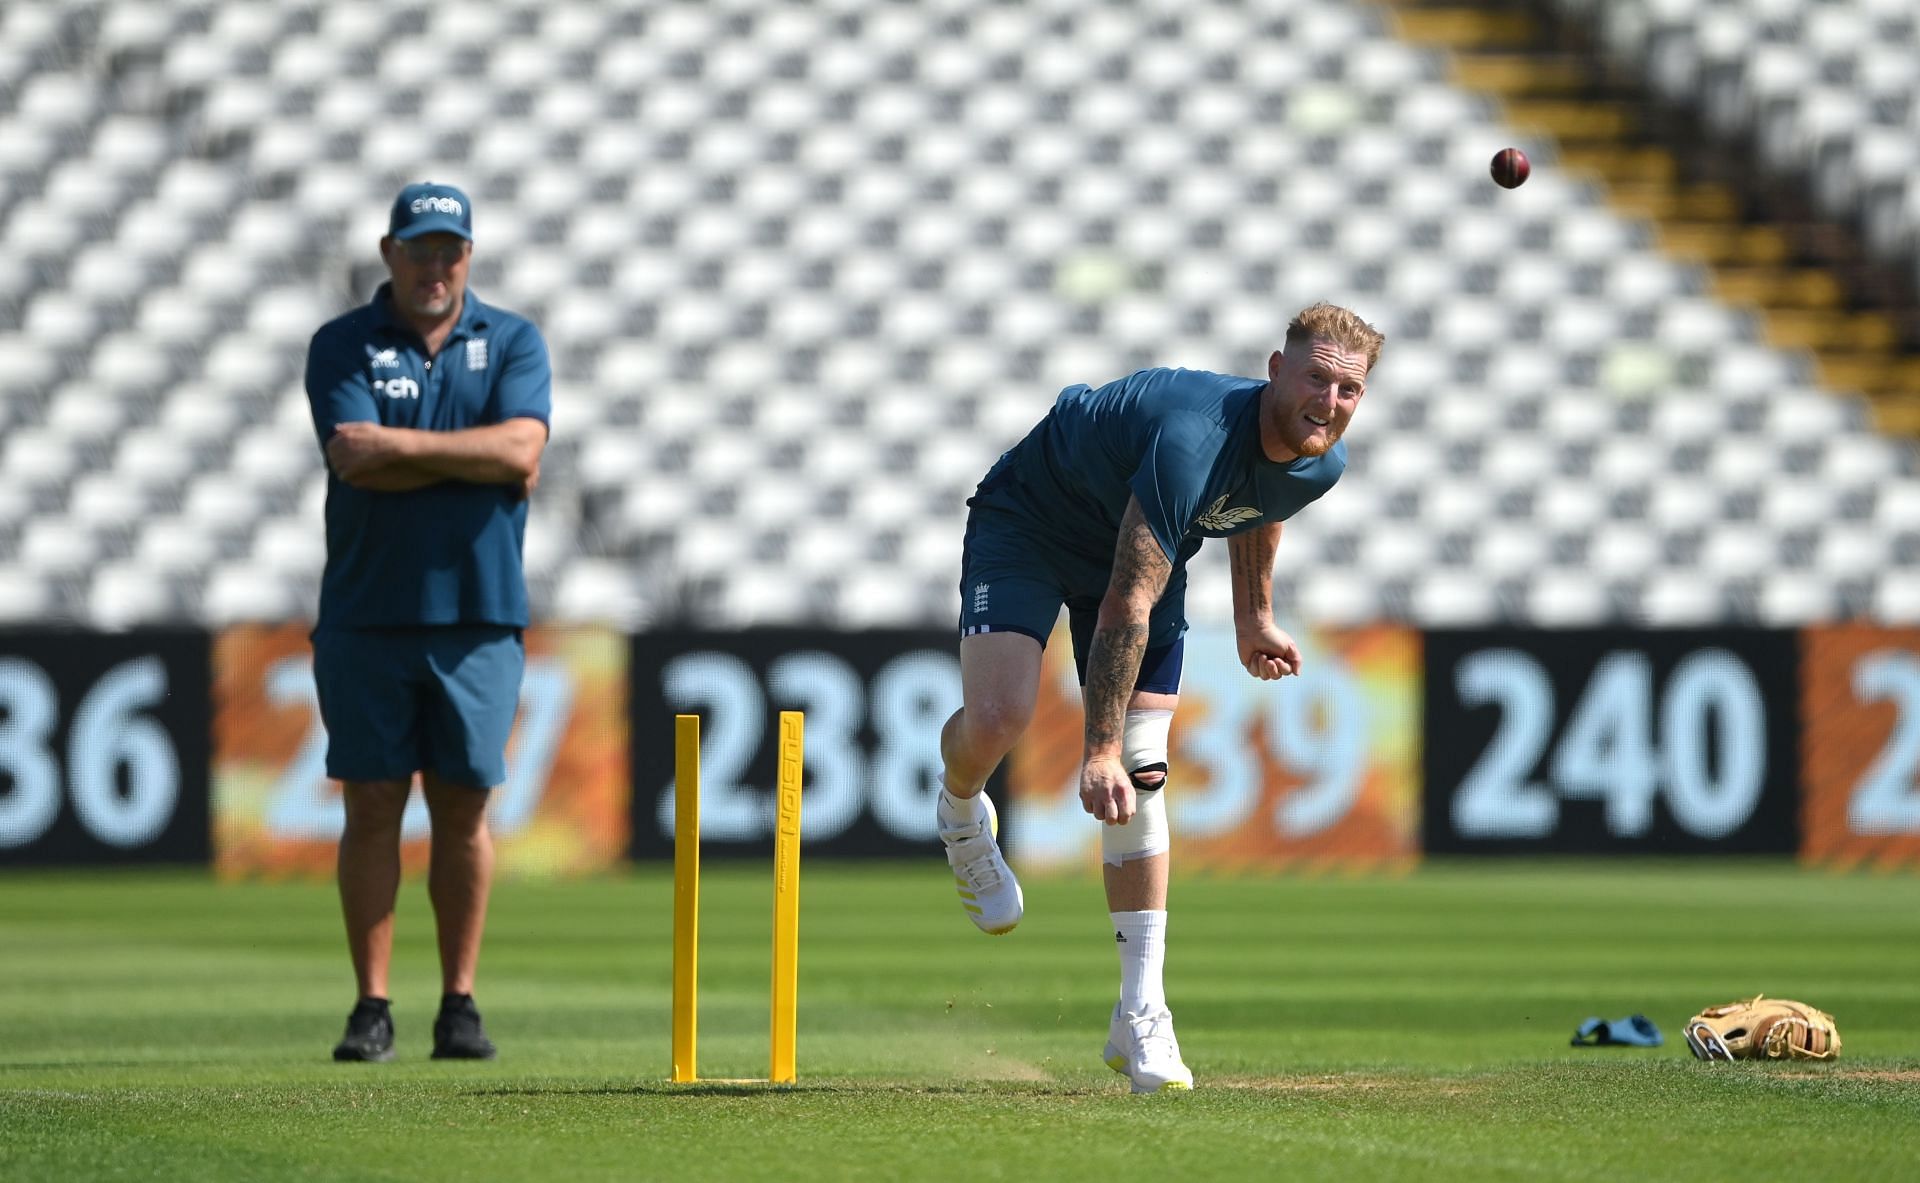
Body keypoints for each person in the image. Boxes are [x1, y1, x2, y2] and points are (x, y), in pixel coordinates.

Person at [935, 302, 1382, 1092]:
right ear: (1276, 370)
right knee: (1002, 717)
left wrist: (1253, 616)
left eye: (1349, 390)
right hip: (1034, 519)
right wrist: (1095, 747)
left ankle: (1140, 1013)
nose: (1330, 403)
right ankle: (960, 810)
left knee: (1145, 771)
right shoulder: (1192, 440)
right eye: (1316, 378)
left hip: (1144, 538)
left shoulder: (1322, 462)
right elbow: (1125, 606)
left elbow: (1261, 503)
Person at [304, 182, 551, 1062]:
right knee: (372, 805)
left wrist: (402, 450)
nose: (435, 265)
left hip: (478, 615)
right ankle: (372, 1004)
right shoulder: (343, 343)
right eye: (420, 248)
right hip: (369, 613)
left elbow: (522, 448)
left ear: (469, 256)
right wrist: (475, 460)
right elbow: (352, 457)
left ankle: (459, 1000)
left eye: (450, 249)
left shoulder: (513, 338)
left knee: (463, 806)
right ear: (388, 252)